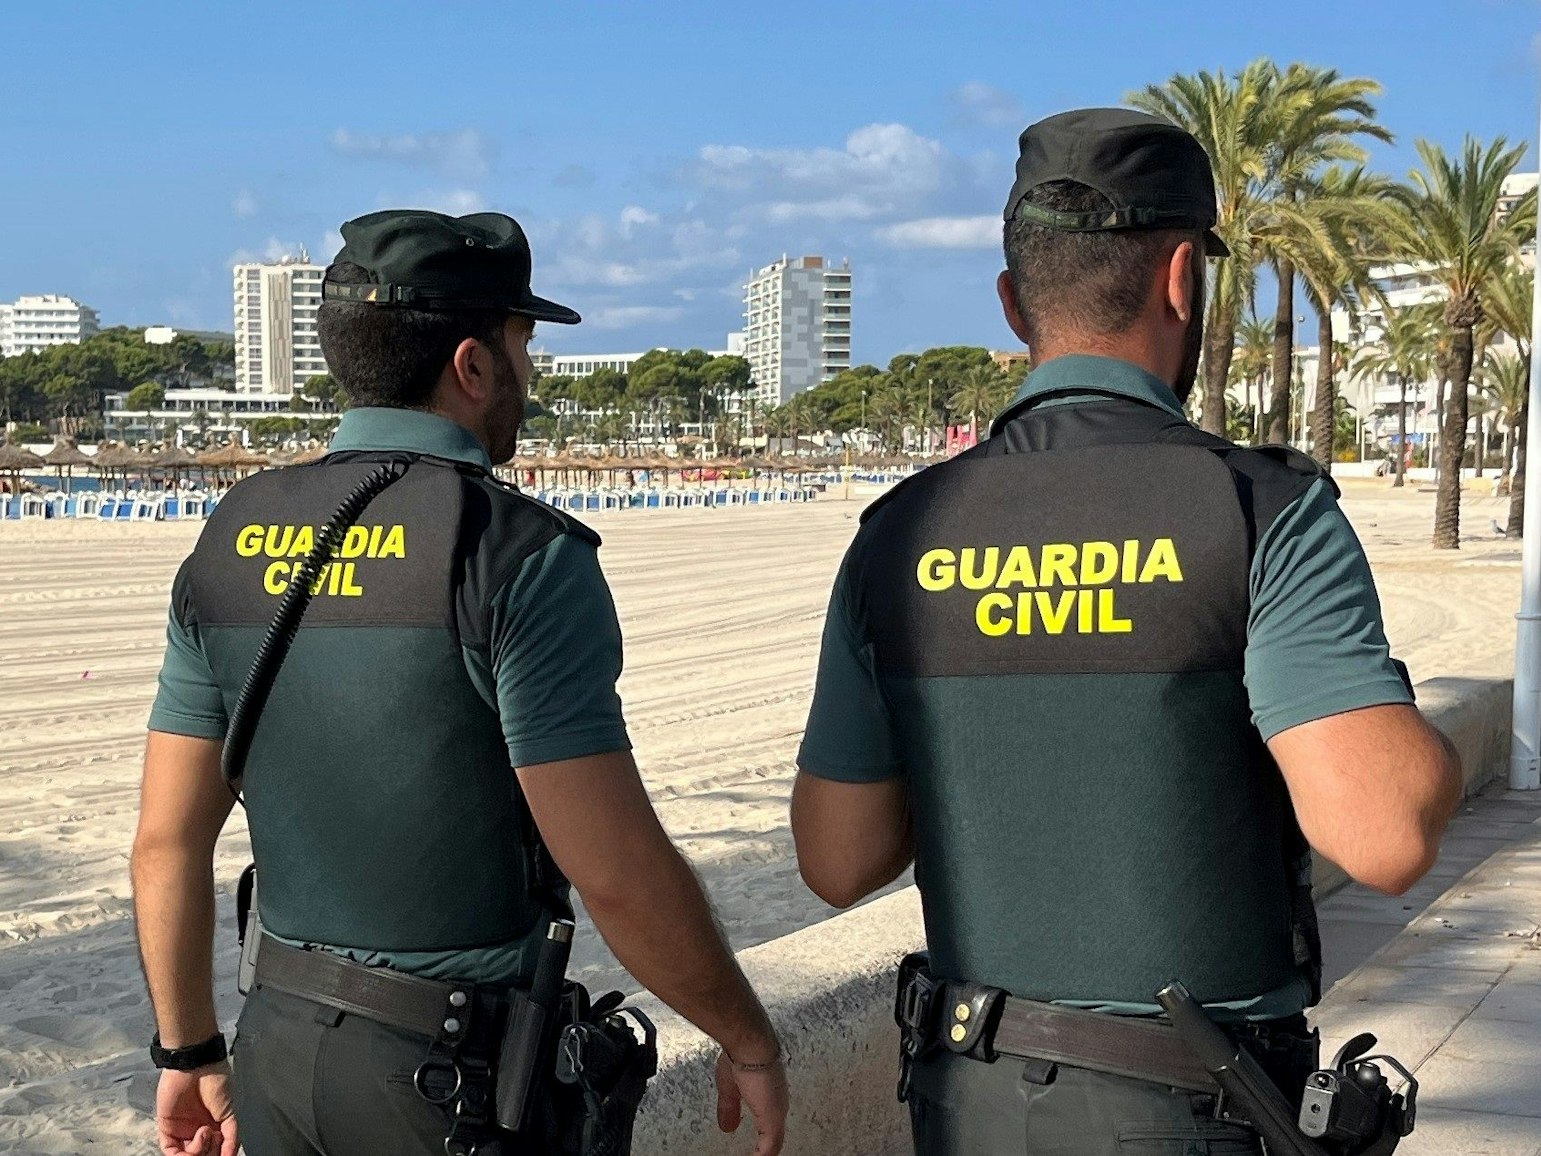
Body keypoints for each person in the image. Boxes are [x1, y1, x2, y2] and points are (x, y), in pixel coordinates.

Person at [789, 109, 1463, 1155]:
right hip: (1192, 1107)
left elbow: (837, 860)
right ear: (1183, 279)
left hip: (967, 1104)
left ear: (1012, 302)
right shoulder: (1256, 510)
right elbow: (1384, 835)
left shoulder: (898, 533)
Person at [132, 209, 788, 1156]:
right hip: (447, 1079)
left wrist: (188, 1050)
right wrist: (745, 1037)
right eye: (524, 346)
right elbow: (614, 870)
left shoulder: (230, 537)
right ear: (473, 366)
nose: (530, 375)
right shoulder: (515, 551)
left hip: (276, 1046)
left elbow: (166, 842)